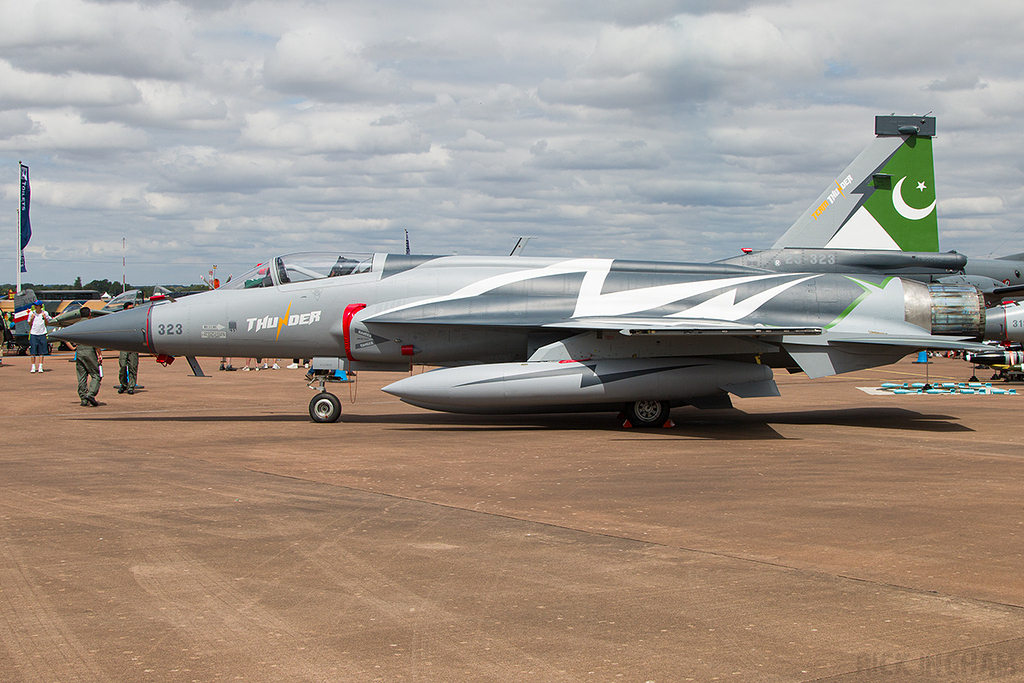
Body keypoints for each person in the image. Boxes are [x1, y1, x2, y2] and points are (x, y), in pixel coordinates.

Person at [74, 307, 102, 406]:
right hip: (90, 350)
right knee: (95, 374)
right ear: (89, 314)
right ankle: (91, 394)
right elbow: (96, 341)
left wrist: (73, 348)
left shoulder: (76, 325)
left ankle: (83, 398)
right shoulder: (92, 324)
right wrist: (99, 354)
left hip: (80, 351)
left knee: (82, 376)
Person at [117, 301, 140, 394]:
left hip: (133, 345)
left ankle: (131, 386)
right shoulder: (120, 319)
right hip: (123, 346)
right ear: (125, 309)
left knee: (133, 367)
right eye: (130, 308)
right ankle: (123, 384)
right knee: (123, 365)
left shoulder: (136, 320)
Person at [27, 301, 56, 373]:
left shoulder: (45, 313)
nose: (36, 307)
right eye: (35, 305)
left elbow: (47, 323)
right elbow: (29, 324)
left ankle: (40, 366)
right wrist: (32, 318)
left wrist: (44, 318)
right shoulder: (32, 313)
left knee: (41, 351)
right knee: (33, 351)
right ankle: (33, 366)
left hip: (42, 333)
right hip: (34, 333)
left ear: (40, 306)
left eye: (37, 305)